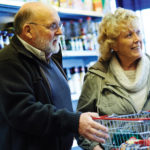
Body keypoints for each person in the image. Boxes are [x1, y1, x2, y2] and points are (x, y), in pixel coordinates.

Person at [0, 2, 109, 150]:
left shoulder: (50, 55)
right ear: (28, 31)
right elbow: (23, 112)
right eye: (52, 26)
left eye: (60, 25)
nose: (60, 32)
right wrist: (74, 122)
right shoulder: (8, 61)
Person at [77, 7, 150, 150]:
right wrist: (96, 148)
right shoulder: (97, 76)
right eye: (129, 35)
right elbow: (82, 125)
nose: (137, 39)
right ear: (114, 45)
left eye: (138, 32)